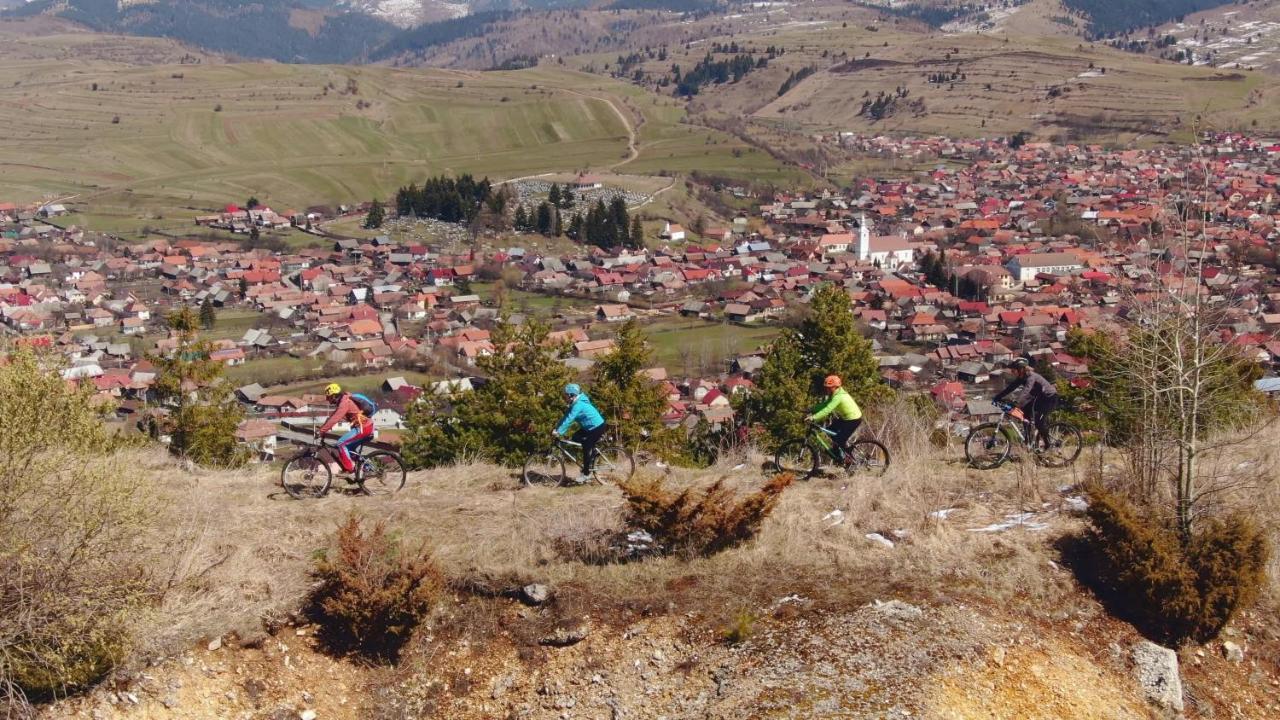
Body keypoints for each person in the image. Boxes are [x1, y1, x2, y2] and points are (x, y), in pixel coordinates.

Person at [993, 358, 1058, 450]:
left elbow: (1026, 390)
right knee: (1024, 413)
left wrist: (1017, 401)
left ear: (1021, 369)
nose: (1012, 372)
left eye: (1013, 370)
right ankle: (1029, 440)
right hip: (1040, 398)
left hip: (1049, 398)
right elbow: (1010, 388)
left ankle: (1048, 445)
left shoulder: (1031, 377)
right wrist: (998, 397)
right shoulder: (1022, 377)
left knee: (1039, 422)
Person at [318, 383, 377, 476]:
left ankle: (350, 470)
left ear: (334, 396)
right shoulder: (343, 402)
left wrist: (321, 431)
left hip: (364, 428)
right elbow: (333, 416)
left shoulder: (345, 402)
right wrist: (323, 427)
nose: (327, 400)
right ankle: (368, 468)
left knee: (341, 443)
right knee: (349, 449)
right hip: (365, 427)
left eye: (328, 397)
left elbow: (335, 418)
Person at [554, 383, 607, 484]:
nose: (564, 398)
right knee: (575, 437)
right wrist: (556, 428)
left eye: (565, 395)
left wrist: (559, 432)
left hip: (597, 427)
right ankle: (592, 454)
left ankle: (586, 474)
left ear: (571, 395)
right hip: (589, 427)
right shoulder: (574, 403)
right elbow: (565, 417)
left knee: (586, 445)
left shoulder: (578, 405)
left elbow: (570, 419)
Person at [806, 374, 863, 463]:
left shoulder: (838, 397)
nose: (827, 389)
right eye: (826, 387)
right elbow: (825, 404)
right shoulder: (835, 393)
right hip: (846, 418)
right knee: (830, 430)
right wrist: (812, 409)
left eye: (829, 387)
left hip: (853, 420)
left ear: (835, 387)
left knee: (839, 439)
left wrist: (813, 418)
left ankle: (848, 458)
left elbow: (828, 409)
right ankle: (839, 454)